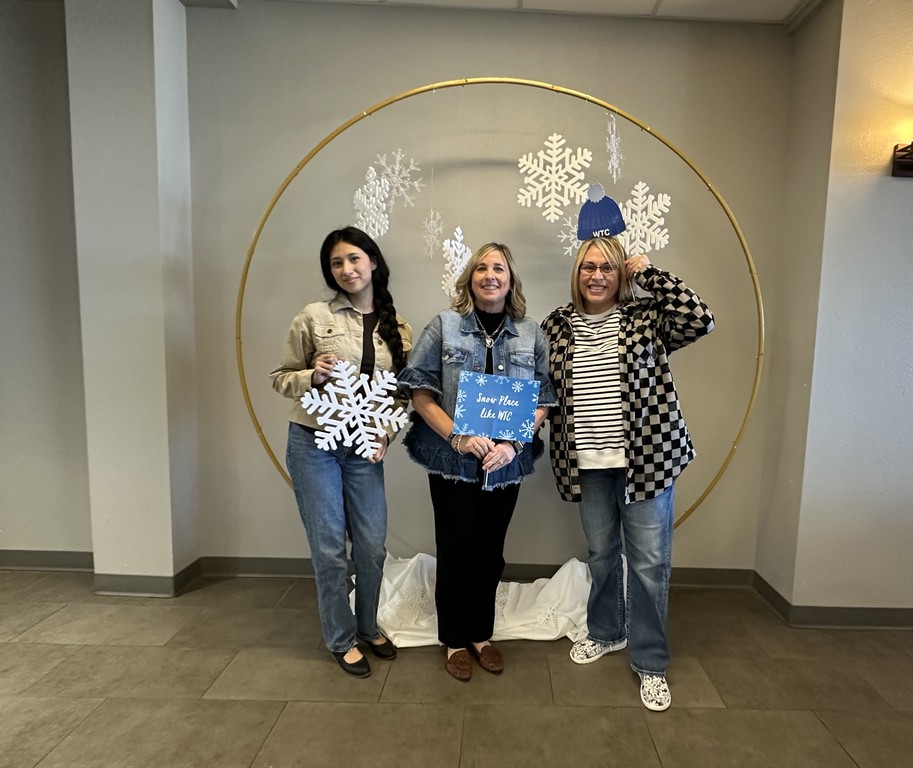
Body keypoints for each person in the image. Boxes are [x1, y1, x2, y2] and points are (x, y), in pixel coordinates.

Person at [542, 224, 714, 711]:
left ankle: (651, 662)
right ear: (577, 273)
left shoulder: (648, 315)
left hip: (648, 460)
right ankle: (606, 631)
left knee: (649, 563)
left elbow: (701, 319)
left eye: (608, 267)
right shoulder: (555, 324)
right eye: (588, 267)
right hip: (586, 463)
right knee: (600, 554)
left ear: (621, 273)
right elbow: (541, 387)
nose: (597, 276)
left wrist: (652, 273)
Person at [399, 242, 555, 682]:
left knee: (490, 553)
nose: (490, 274)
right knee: (456, 550)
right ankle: (452, 639)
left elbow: (543, 399)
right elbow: (419, 392)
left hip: (505, 465)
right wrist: (458, 436)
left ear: (510, 280)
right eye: (481, 267)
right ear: (470, 278)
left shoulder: (531, 333)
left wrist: (516, 444)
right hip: (453, 462)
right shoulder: (444, 327)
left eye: (499, 268)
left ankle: (481, 634)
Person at [270, 226, 412, 678]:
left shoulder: (398, 327)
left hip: (364, 447)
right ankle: (340, 636)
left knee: (370, 545)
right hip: (314, 442)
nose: (346, 269)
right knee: (330, 547)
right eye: (336, 263)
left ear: (372, 262)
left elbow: (403, 396)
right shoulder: (313, 317)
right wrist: (311, 375)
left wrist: (385, 434)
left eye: (354, 259)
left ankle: (369, 625)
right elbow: (280, 376)